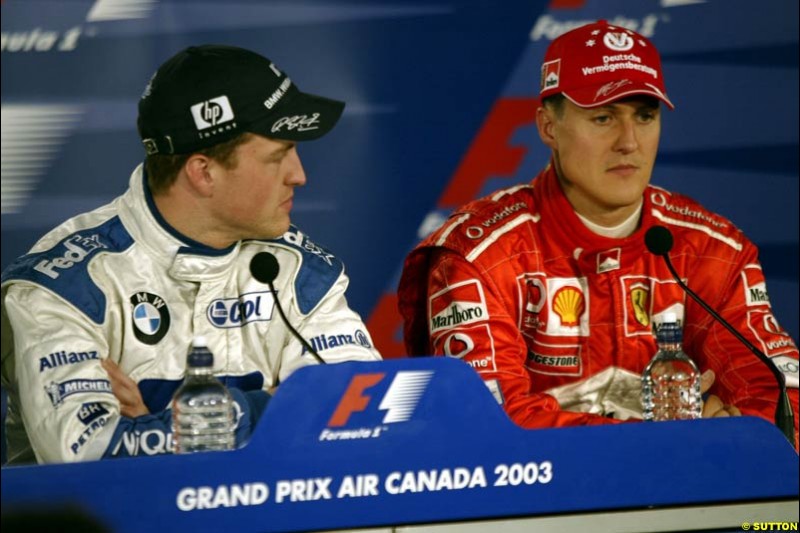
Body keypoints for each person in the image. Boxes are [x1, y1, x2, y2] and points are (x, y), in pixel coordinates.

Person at [398, 20, 798, 444]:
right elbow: (486, 427)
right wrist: (669, 443)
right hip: (534, 506)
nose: (629, 141)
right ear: (548, 127)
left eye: (645, 116)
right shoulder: (478, 256)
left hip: (690, 503)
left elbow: (783, 397)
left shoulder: (709, 250)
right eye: (604, 117)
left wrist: (737, 437)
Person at [0, 44, 381, 464]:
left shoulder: (300, 274)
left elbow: (359, 416)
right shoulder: (65, 285)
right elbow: (86, 454)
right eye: (278, 157)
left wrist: (159, 424)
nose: (300, 175)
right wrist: (272, 405)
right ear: (203, 172)